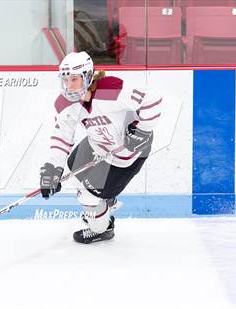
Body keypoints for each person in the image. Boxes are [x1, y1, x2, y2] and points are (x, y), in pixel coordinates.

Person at [39, 51, 162, 244]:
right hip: (97, 145)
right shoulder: (64, 104)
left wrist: (142, 130)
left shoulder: (109, 89)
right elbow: (62, 136)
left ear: (88, 76)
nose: (69, 86)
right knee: (71, 171)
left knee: (87, 198)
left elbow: (152, 99)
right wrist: (53, 167)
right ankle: (105, 203)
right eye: (65, 80)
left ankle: (102, 229)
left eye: (74, 79)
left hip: (128, 154)